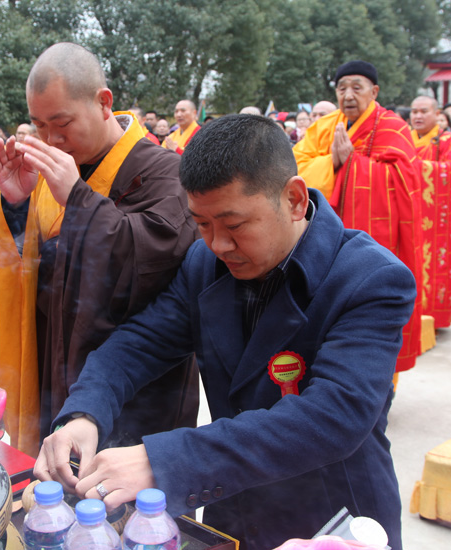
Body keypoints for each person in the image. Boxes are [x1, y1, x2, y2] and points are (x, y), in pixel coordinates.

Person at [35, 114, 414, 550]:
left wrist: (162, 461)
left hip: (330, 518)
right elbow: (137, 345)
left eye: (234, 225)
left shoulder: (369, 279)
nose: (218, 244)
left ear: (292, 199)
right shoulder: (204, 266)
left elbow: (333, 417)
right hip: (233, 509)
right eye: (202, 223)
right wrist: (84, 412)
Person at [0, 42, 200, 456]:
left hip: (133, 384)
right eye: (39, 126)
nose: (51, 139)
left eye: (62, 123)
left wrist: (77, 198)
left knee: (130, 509)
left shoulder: (165, 172)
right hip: (54, 357)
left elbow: (151, 259)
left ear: (103, 102)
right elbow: (22, 263)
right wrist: (15, 205)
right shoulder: (53, 172)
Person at [294, 60, 422, 373]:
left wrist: (355, 163)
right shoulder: (324, 127)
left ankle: (377, 379)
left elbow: (406, 180)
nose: (348, 95)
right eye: (342, 88)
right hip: (325, 238)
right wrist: (333, 162)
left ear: (374, 91)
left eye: (357, 87)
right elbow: (295, 168)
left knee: (370, 307)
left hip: (379, 239)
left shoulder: (394, 127)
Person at [410, 95, 451, 329]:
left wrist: (413, 167)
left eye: (423, 111)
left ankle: (435, 314)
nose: (417, 116)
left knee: (435, 262)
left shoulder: (444, 141)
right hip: (412, 211)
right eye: (414, 111)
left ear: (437, 115)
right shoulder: (405, 138)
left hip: (437, 217)